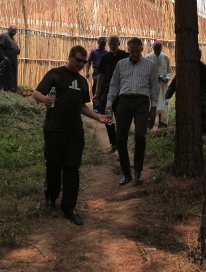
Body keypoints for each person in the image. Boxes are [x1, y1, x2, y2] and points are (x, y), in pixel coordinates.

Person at [32, 45, 110, 226]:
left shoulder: (82, 82)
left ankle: (69, 207)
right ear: (70, 57)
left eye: (84, 61)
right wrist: (44, 99)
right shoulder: (55, 74)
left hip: (75, 132)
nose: (81, 64)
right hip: (54, 129)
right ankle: (51, 199)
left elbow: (82, 106)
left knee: (72, 168)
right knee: (53, 165)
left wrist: (97, 117)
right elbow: (36, 93)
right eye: (78, 60)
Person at [106, 37, 158, 185]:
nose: (135, 54)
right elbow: (114, 85)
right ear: (128, 50)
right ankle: (126, 173)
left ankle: (138, 171)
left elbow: (154, 87)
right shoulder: (121, 65)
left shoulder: (150, 65)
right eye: (132, 51)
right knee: (121, 138)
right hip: (124, 101)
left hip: (142, 102)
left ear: (142, 50)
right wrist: (109, 103)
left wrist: (153, 108)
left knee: (140, 136)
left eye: (137, 51)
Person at [93, 35, 129, 154]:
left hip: (122, 92)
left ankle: (121, 145)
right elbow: (101, 75)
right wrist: (97, 92)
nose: (112, 46)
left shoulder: (125, 56)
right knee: (107, 117)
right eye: (110, 44)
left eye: (114, 44)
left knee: (121, 118)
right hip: (106, 91)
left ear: (119, 44)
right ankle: (113, 143)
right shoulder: (105, 57)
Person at [166, 52, 206, 134]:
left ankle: (204, 130)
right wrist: (169, 92)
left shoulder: (204, 69)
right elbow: (175, 82)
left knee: (203, 112)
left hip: (200, 96)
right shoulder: (185, 68)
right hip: (186, 97)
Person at [145, 40, 172, 128]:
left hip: (163, 86)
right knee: (151, 105)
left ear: (161, 48)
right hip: (152, 87)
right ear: (153, 47)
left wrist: (165, 78)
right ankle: (149, 125)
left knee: (163, 106)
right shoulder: (148, 57)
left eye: (159, 49)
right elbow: (145, 73)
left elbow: (169, 72)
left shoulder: (165, 57)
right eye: (156, 49)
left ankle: (162, 125)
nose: (157, 50)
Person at [0, 24, 21, 91]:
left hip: (12, 62)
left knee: (11, 75)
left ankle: (11, 90)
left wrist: (17, 51)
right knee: (5, 76)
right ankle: (6, 90)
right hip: (5, 61)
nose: (14, 32)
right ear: (9, 29)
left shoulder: (13, 39)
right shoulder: (4, 36)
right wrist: (3, 57)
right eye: (12, 30)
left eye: (15, 31)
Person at [85, 36, 108, 107]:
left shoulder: (107, 53)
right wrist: (87, 71)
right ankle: (95, 105)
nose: (102, 45)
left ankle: (102, 104)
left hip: (105, 71)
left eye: (104, 44)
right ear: (98, 43)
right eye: (101, 44)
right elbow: (89, 61)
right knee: (96, 86)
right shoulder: (94, 52)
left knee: (104, 87)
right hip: (97, 70)